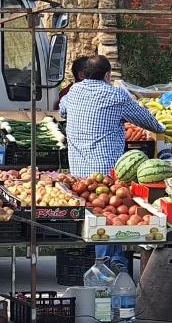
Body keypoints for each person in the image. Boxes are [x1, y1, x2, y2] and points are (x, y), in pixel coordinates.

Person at [59, 55, 163, 273]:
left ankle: (106, 264)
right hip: (106, 172)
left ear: (84, 74)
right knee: (109, 216)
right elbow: (149, 123)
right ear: (107, 76)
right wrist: (163, 127)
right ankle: (109, 264)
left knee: (96, 217)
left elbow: (63, 111)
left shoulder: (73, 92)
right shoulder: (116, 95)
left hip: (77, 173)